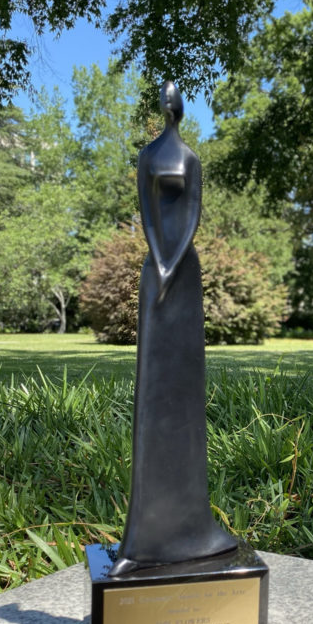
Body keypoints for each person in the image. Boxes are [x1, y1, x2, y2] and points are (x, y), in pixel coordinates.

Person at [109, 82, 237, 576]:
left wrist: (174, 261)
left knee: (183, 401)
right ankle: (144, 539)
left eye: (177, 101)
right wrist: (158, 262)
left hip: (183, 272)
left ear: (181, 109)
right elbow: (148, 212)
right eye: (166, 100)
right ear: (161, 108)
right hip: (158, 272)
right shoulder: (148, 156)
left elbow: (192, 213)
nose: (171, 106)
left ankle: (191, 528)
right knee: (154, 397)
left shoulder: (190, 157)